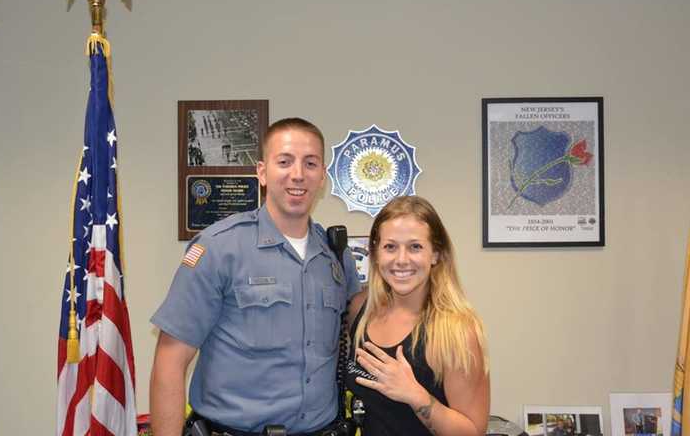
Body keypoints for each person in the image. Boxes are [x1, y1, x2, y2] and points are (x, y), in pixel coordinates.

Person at [150, 118, 360, 435]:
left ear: (323, 177)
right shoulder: (220, 248)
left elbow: (365, 327)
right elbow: (169, 362)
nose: (298, 174)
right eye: (284, 161)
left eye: (310, 163)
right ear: (262, 172)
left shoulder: (336, 255)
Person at [345, 195, 490, 436]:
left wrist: (415, 395)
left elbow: (473, 432)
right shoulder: (361, 308)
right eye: (390, 247)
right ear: (376, 253)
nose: (401, 260)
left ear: (435, 254)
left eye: (415, 247)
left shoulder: (457, 331)